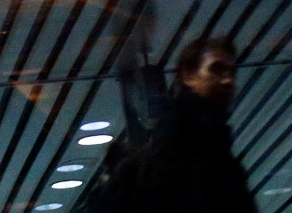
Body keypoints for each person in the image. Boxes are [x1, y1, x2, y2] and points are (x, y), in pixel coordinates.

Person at [79, 36, 257, 213]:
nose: (228, 80)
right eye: (216, 69)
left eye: (231, 73)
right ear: (187, 75)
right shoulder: (183, 150)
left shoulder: (215, 153)